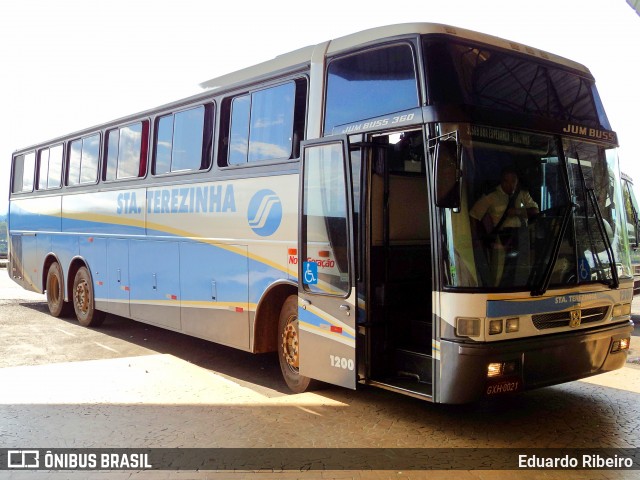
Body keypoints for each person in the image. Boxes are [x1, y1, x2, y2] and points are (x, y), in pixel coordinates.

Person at [469, 167, 539, 286]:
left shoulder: (523, 194)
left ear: (517, 181)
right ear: (501, 181)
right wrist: (476, 239)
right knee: (500, 271)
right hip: (502, 237)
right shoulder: (491, 196)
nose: (510, 184)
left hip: (521, 236)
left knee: (521, 268)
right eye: (506, 181)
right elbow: (474, 215)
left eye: (513, 181)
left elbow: (535, 210)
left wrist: (517, 211)